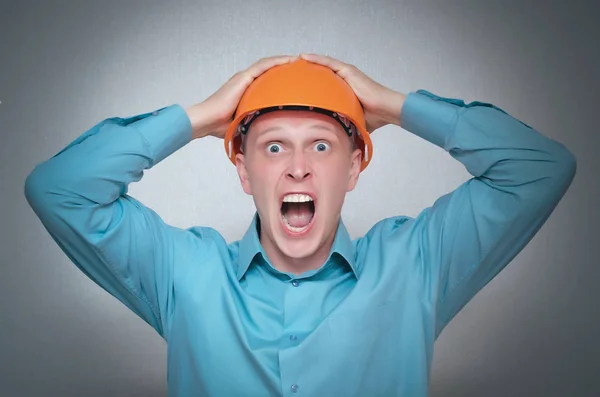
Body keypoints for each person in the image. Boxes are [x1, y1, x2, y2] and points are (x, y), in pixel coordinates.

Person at [24, 54, 577, 396]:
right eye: (271, 147)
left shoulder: (418, 263)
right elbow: (59, 190)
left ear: (356, 164)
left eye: (321, 144)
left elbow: (539, 169)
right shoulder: (183, 272)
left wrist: (396, 105)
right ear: (243, 171)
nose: (297, 166)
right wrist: (198, 118)